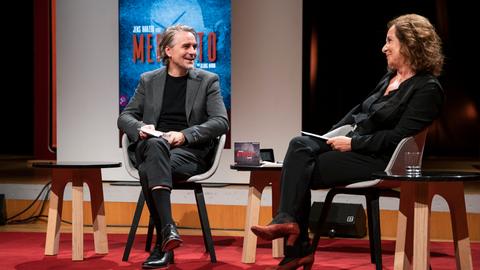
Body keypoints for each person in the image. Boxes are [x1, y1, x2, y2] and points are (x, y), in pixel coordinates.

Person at [251, 14, 444, 269]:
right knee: (299, 145)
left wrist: (354, 144)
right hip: (353, 147)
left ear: (410, 44)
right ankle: (289, 224)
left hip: (381, 159)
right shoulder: (389, 79)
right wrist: (326, 139)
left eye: (389, 41)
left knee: (299, 170)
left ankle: (297, 247)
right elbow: (356, 114)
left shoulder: (427, 88)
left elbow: (399, 138)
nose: (383, 48)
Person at [118, 24, 229, 269]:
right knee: (156, 145)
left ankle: (163, 242)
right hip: (152, 147)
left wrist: (184, 135)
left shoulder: (208, 80)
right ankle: (168, 230)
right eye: (186, 46)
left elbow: (221, 122)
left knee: (149, 169)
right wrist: (140, 128)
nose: (193, 52)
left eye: (195, 47)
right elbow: (124, 117)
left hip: (189, 154)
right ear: (168, 50)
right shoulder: (149, 80)